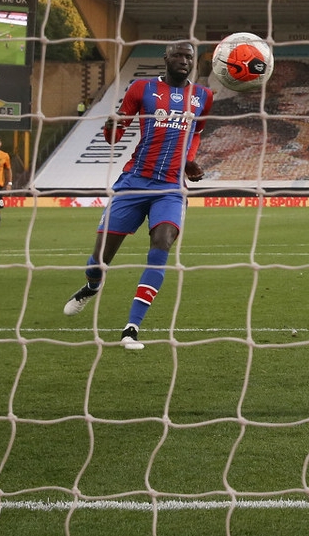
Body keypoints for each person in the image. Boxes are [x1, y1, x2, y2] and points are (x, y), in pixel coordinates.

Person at [62, 41, 213, 351]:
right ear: (166, 58)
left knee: (162, 244)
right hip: (134, 182)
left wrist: (189, 161)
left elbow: (195, 132)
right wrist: (111, 125)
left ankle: (132, 327)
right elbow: (114, 137)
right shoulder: (141, 88)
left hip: (170, 188)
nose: (184, 61)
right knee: (99, 260)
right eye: (178, 55)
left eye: (189, 56)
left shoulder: (202, 96)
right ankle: (92, 286)